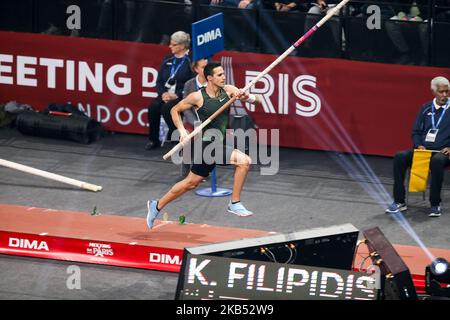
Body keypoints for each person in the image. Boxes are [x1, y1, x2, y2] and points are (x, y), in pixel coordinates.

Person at [146, 61, 261, 229]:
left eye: (223, 74)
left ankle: (156, 205)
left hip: (217, 143)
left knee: (190, 183)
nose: (224, 77)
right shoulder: (197, 96)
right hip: (207, 145)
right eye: (219, 75)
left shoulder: (229, 90)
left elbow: (256, 101)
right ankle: (234, 203)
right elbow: (174, 110)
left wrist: (247, 97)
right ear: (209, 78)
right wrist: (183, 132)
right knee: (244, 161)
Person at [386, 76, 450, 217]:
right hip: (423, 151)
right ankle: (399, 201)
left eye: (447, 91)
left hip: (444, 152)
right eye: (441, 92)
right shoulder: (425, 108)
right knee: (400, 157)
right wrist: (418, 145)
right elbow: (416, 131)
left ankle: (435, 204)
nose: (445, 95)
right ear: (433, 91)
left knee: (437, 161)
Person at [145, 31, 194, 150]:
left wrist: (176, 95)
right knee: (153, 107)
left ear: (182, 46)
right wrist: (163, 94)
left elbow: (191, 84)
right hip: (166, 94)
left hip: (181, 96)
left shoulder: (190, 61)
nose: (170, 46)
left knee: (168, 109)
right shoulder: (168, 59)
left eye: (173, 44)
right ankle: (153, 139)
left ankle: (176, 138)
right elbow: (159, 81)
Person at [180, 58, 209, 178]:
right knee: (186, 138)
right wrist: (196, 123)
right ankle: (186, 169)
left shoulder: (216, 84)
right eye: (203, 67)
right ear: (196, 69)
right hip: (191, 121)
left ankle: (200, 171)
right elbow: (185, 108)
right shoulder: (189, 84)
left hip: (208, 121)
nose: (207, 70)